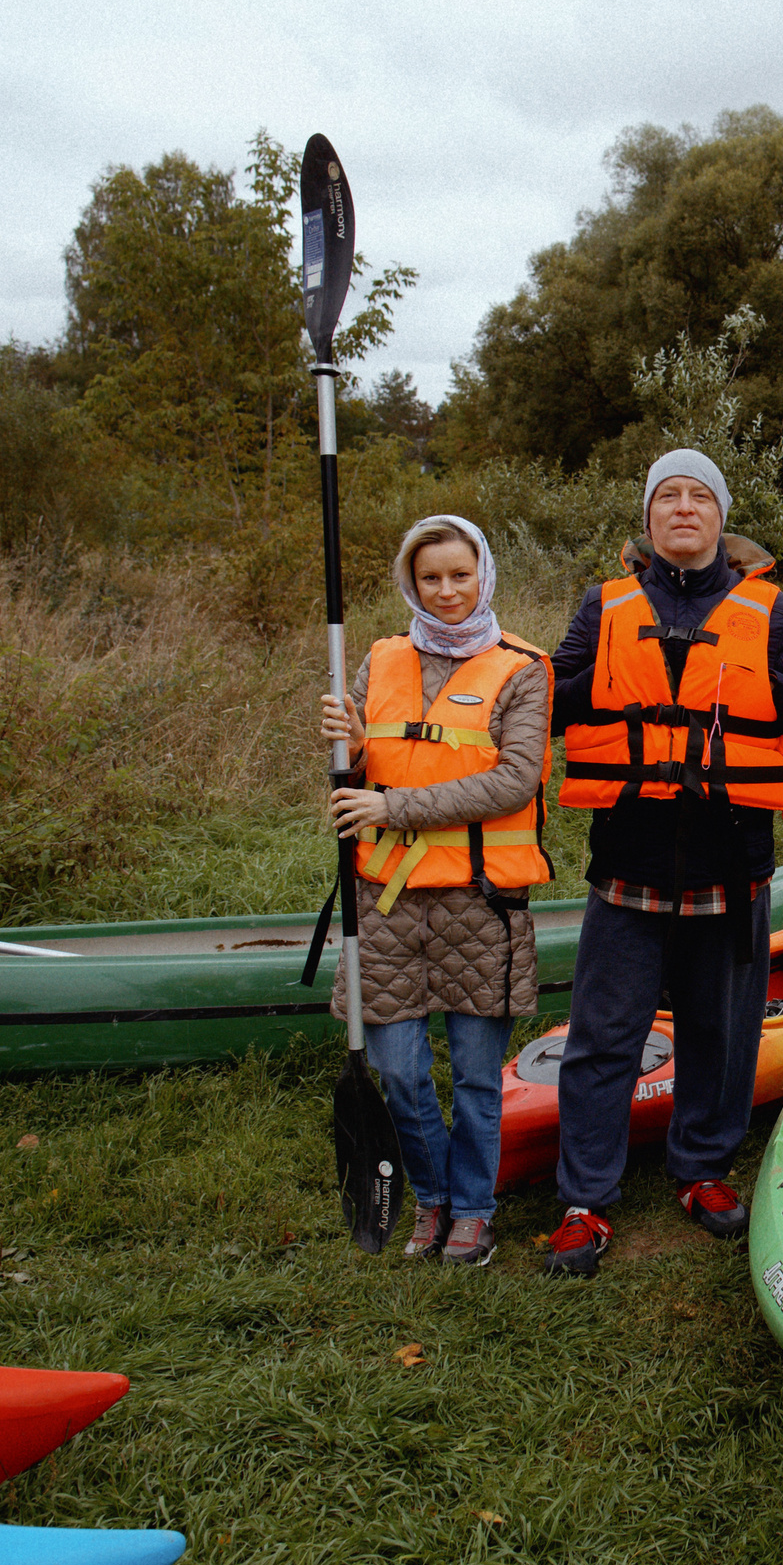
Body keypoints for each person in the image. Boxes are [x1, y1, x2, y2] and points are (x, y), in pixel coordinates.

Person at [541, 449, 783, 1277]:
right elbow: (551, 702)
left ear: (720, 517)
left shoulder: (774, 613)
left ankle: (701, 1168)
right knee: (604, 1037)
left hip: (730, 860)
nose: (681, 507)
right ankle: (585, 1199)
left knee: (722, 1031)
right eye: (666, 495)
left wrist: (760, 685)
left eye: (697, 495)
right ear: (647, 518)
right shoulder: (601, 609)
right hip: (628, 862)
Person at [319, 515, 553, 1267]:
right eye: (431, 578)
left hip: (479, 904)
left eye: (460, 574)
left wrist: (396, 807)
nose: (447, 590)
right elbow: (354, 780)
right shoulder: (380, 660)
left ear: (483, 574)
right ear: (410, 583)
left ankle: (475, 1211)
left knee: (480, 1079)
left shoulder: (523, 668)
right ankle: (432, 1195)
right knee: (399, 1071)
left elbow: (515, 779)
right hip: (386, 904)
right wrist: (348, 749)